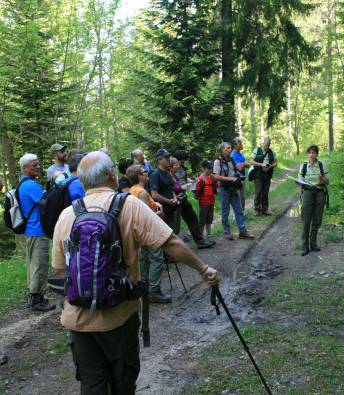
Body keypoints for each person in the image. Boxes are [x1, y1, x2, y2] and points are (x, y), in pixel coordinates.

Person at [52, 151, 219, 394]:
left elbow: (59, 269)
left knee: (92, 384)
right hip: (119, 315)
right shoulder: (128, 205)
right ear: (111, 175)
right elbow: (170, 242)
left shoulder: (67, 214)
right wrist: (204, 269)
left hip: (77, 320)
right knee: (123, 382)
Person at [127, 164, 171, 303]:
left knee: (144, 258)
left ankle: (144, 287)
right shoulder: (142, 192)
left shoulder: (132, 190)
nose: (147, 173)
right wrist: (159, 210)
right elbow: (146, 216)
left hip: (139, 232)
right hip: (149, 231)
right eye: (144, 172)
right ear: (139, 176)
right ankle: (154, 291)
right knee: (157, 259)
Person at [18, 153, 56, 312]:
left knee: (34, 264)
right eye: (35, 165)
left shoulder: (25, 183)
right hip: (37, 230)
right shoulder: (30, 186)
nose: (38, 167)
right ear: (24, 168)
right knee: (39, 265)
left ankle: (35, 296)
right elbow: (47, 202)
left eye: (38, 164)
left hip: (31, 230)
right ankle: (36, 299)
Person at [213, 142, 254, 240]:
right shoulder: (217, 161)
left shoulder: (231, 159)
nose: (230, 149)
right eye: (228, 148)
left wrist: (244, 165)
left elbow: (237, 168)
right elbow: (215, 176)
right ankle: (226, 232)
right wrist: (230, 179)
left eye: (231, 147)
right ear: (222, 150)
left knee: (239, 210)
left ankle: (242, 231)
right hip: (224, 189)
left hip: (233, 188)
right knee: (225, 211)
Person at [173, 150, 213, 249]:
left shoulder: (182, 168)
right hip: (174, 200)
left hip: (183, 197)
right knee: (174, 225)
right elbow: (174, 185)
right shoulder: (169, 171)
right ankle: (173, 248)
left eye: (183, 162)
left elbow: (184, 180)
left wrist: (191, 183)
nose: (181, 164)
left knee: (193, 218)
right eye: (181, 162)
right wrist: (182, 186)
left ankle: (200, 242)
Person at [298, 145, 330, 256]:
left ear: (317, 154)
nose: (312, 155)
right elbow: (300, 180)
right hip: (307, 192)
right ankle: (304, 245)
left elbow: (327, 181)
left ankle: (313, 243)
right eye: (310, 152)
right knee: (306, 220)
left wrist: (322, 179)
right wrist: (299, 183)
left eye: (314, 153)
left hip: (320, 192)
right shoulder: (304, 166)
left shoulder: (321, 165)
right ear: (307, 154)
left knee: (317, 219)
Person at [250, 137, 278, 216]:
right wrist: (261, 164)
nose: (267, 147)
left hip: (268, 174)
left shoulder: (272, 152)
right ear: (263, 143)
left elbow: (276, 163)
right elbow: (251, 161)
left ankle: (265, 209)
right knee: (258, 192)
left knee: (265, 192)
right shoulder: (257, 150)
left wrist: (271, 166)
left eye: (268, 145)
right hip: (258, 174)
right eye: (265, 145)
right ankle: (257, 209)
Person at [196, 160, 217, 243]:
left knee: (209, 220)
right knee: (202, 221)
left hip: (211, 202)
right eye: (209, 168)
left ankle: (209, 236)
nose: (210, 170)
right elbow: (197, 191)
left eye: (211, 168)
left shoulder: (212, 178)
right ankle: (200, 237)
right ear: (204, 168)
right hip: (204, 203)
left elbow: (215, 188)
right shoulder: (201, 179)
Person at [230, 137, 249, 211]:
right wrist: (244, 164)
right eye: (240, 143)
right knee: (237, 197)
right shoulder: (233, 155)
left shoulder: (240, 154)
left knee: (243, 196)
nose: (242, 144)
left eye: (241, 143)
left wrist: (243, 164)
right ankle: (237, 214)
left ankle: (242, 212)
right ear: (235, 145)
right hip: (236, 179)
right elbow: (239, 168)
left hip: (242, 178)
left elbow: (248, 165)